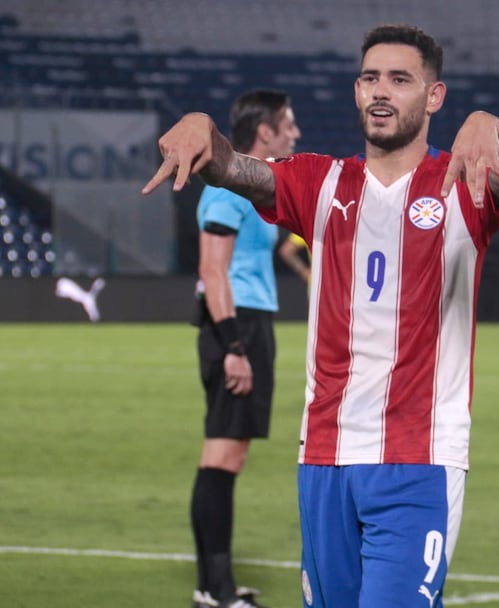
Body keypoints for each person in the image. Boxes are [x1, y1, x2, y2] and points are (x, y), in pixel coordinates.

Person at [143, 23, 499, 608]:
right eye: (369, 78)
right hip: (326, 454)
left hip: (419, 457)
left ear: (434, 97)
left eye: (400, 80)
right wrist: (204, 130)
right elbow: (234, 169)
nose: (380, 91)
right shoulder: (319, 181)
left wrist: (494, 125)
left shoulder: (465, 184)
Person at [189, 89, 301, 608]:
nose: (294, 133)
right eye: (288, 125)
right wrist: (233, 345)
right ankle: (217, 591)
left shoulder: (253, 186)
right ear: (265, 132)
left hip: (248, 322)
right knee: (222, 455)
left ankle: (215, 586)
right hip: (235, 326)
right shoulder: (225, 188)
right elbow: (212, 271)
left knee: (227, 455)